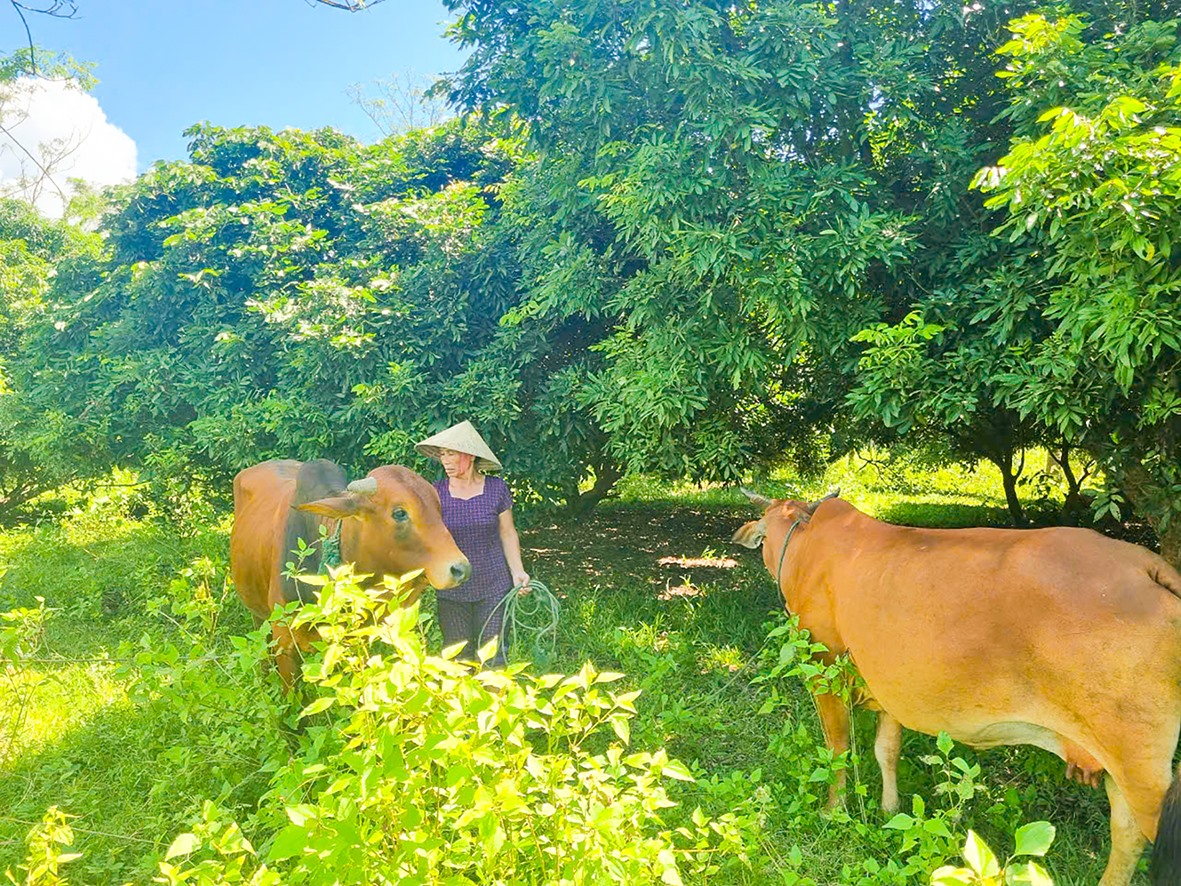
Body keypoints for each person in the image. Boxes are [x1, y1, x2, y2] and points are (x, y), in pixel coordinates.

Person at [415, 420, 529, 667]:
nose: (445, 461)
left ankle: (496, 701)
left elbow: (508, 533)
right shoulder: (436, 493)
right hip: (453, 587)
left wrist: (518, 571)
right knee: (458, 658)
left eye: (451, 454)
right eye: (443, 454)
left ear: (469, 456)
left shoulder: (496, 489)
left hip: (494, 585)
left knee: (494, 655)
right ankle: (463, 705)